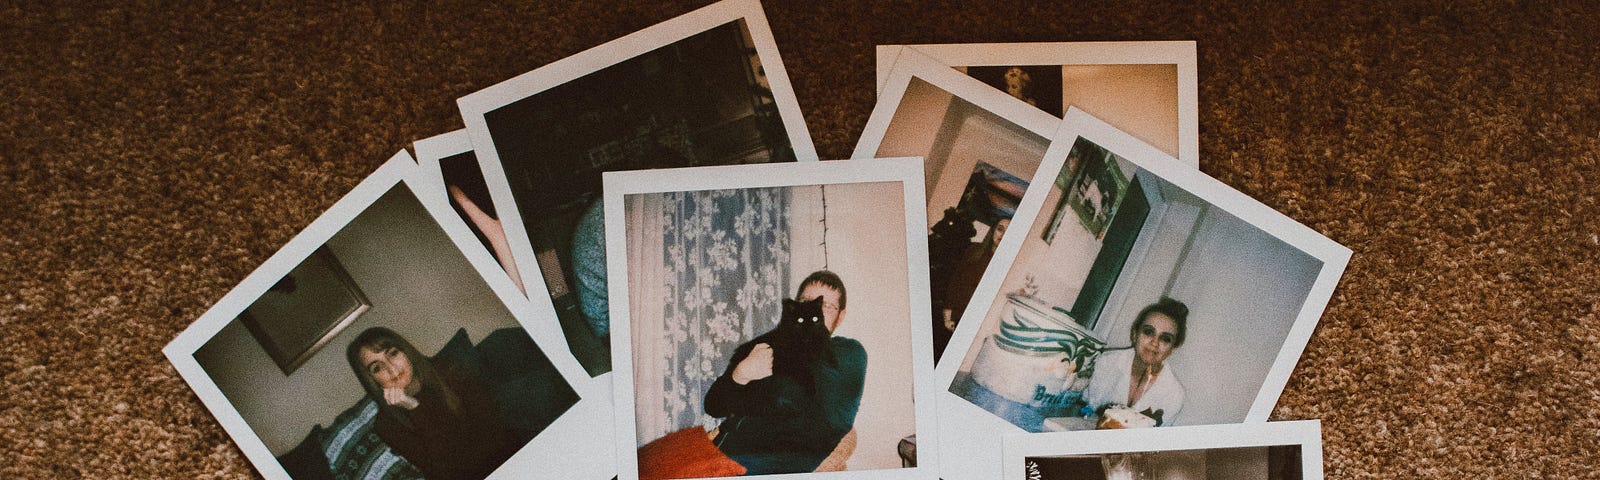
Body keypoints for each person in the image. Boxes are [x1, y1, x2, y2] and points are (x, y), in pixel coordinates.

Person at [703, 271, 868, 475]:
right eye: (806, 301)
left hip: (762, 463)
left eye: (828, 306)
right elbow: (713, 405)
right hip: (724, 449)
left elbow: (794, 397)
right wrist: (741, 373)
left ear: (840, 316)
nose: (815, 310)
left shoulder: (849, 353)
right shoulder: (768, 344)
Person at [345, 327, 521, 480]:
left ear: (405, 351)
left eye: (392, 353)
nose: (391, 368)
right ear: (373, 380)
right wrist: (414, 408)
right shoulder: (387, 424)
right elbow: (444, 473)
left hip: (511, 459)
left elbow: (495, 434)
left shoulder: (450, 371)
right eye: (377, 367)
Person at [1082, 297, 1188, 426]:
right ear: (1134, 334)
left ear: (1173, 348)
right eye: (1148, 332)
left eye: (1165, 339)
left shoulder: (1174, 394)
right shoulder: (1104, 363)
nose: (1155, 343)